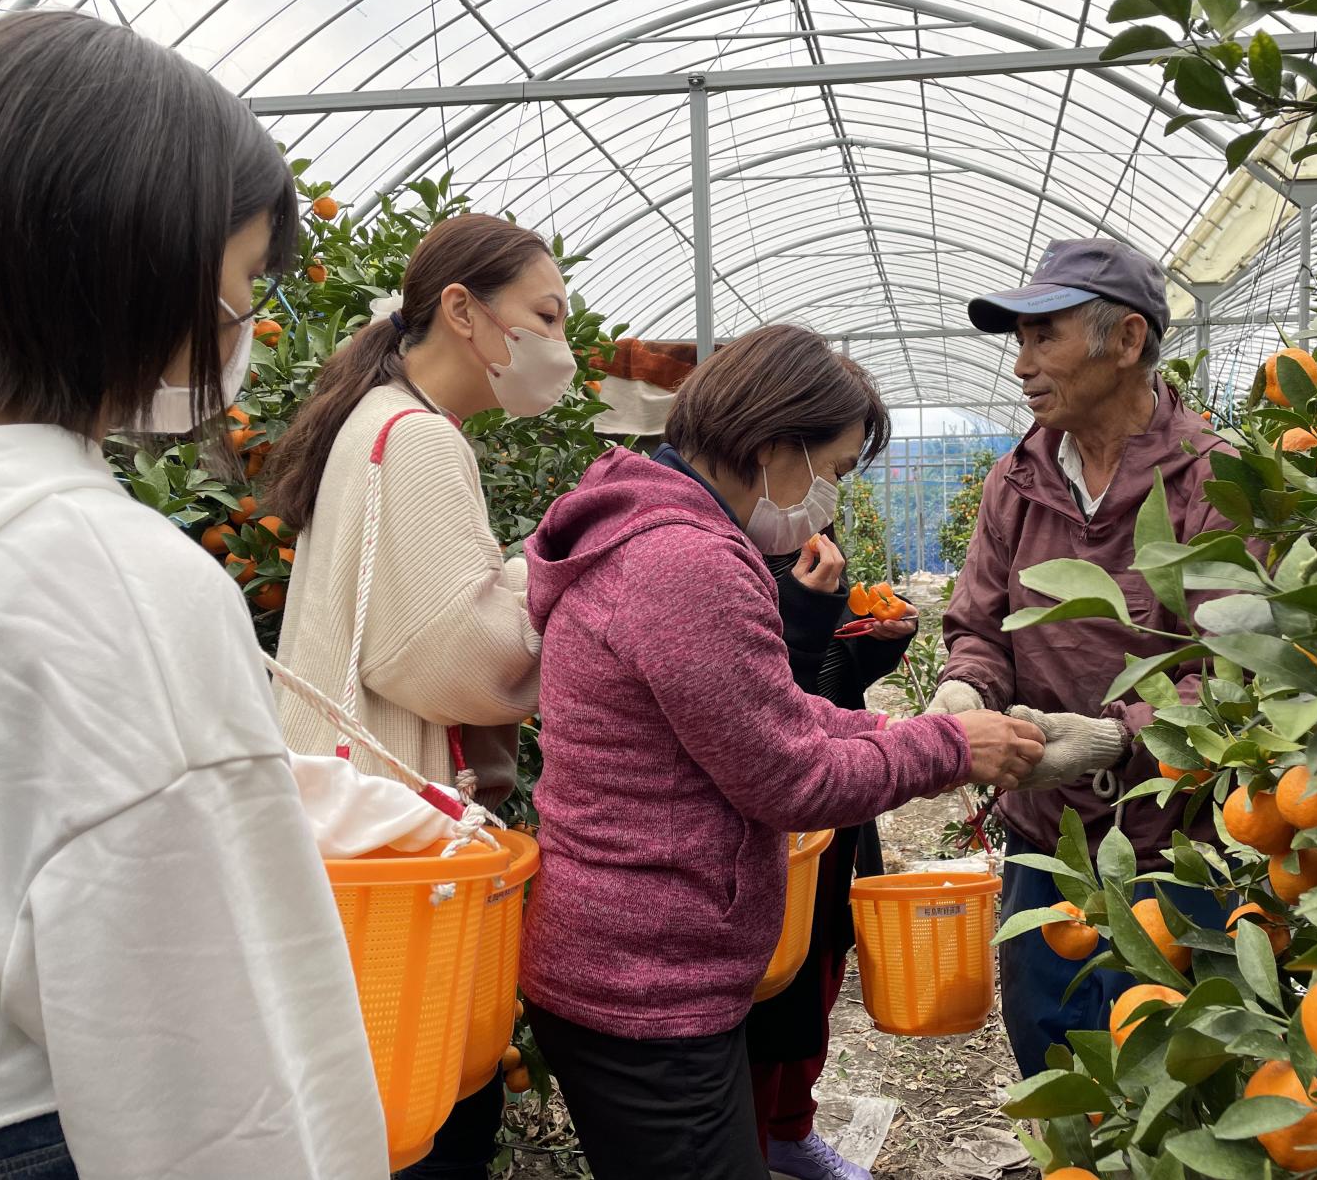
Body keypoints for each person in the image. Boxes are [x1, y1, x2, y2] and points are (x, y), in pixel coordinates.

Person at [0, 10, 387, 1179]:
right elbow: (221, 1088)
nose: (246, 326)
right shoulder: (103, 579)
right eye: (241, 281)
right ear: (137, 262)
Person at [520, 325, 1046, 1179]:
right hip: (646, 984)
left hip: (636, 963)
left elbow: (767, 718)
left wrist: (892, 731)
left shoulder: (658, 533)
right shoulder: (685, 562)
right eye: (832, 469)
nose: (830, 495)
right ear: (773, 443)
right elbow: (789, 776)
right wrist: (950, 744)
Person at [265, 212, 575, 1179]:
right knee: (426, 1110)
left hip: (337, 822)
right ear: (462, 311)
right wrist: (553, 573)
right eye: (548, 316)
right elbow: (446, 657)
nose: (559, 346)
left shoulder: (376, 421)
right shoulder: (421, 440)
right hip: (394, 843)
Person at [928, 238, 1238, 1078]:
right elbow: (980, 627)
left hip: (1177, 847)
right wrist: (964, 691)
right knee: (1056, 1056)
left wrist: (1113, 739)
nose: (1022, 364)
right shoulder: (1016, 481)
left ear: (1128, 341)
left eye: (1044, 336)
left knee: (1175, 1070)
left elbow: (1235, 679)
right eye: (1018, 341)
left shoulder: (1215, 485)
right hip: (1048, 841)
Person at [748, 528, 916, 1180]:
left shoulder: (814, 549)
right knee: (768, 985)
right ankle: (752, 1138)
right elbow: (767, 704)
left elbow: (836, 676)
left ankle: (790, 1127)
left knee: (819, 958)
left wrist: (884, 634)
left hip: (832, 803)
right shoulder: (718, 561)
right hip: (766, 816)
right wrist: (800, 609)